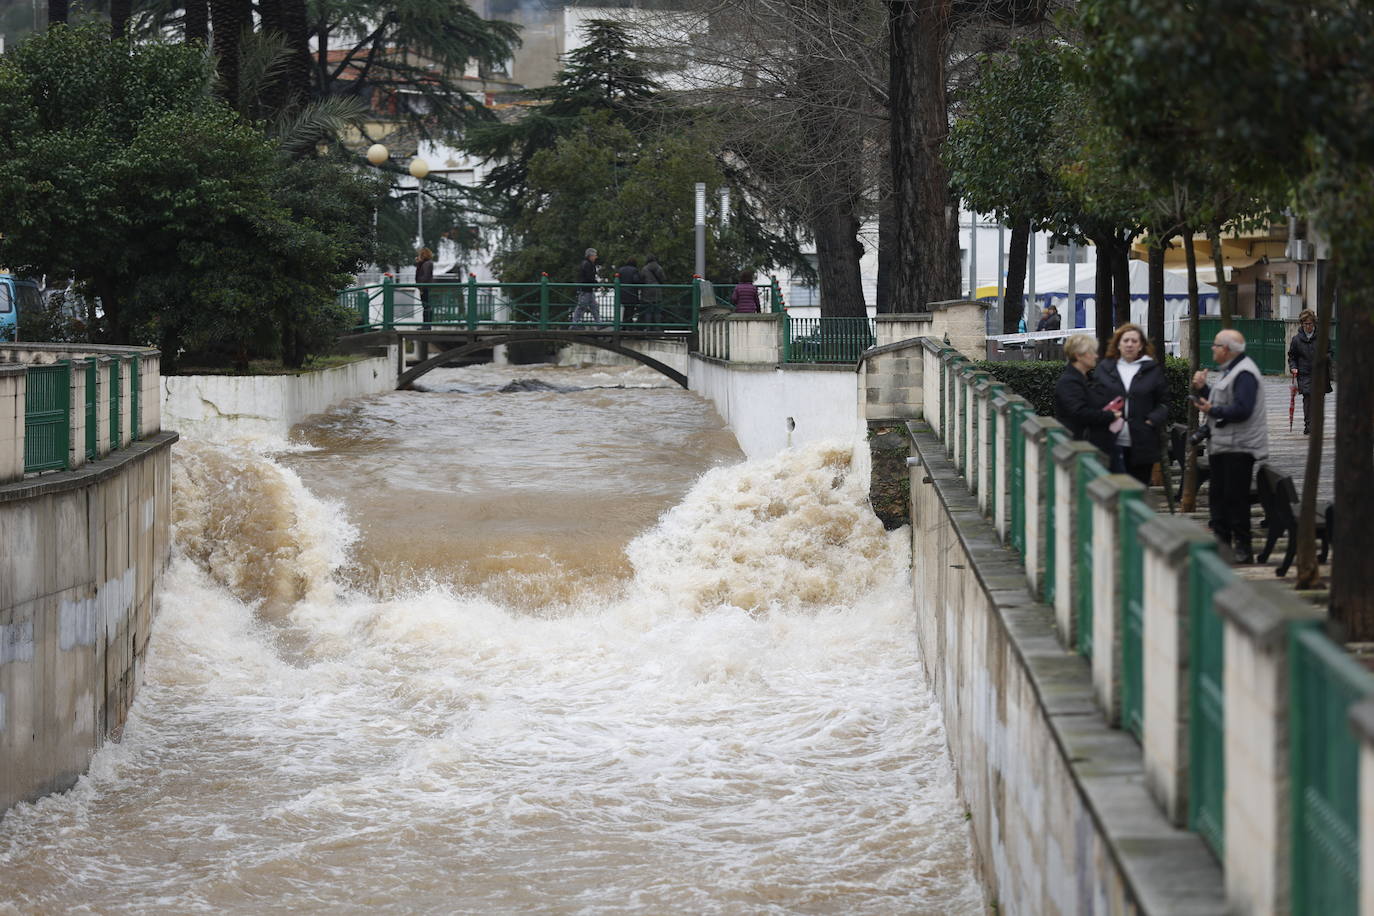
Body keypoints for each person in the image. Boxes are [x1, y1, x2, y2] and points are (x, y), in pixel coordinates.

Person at [1192, 329, 1269, 563]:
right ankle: (1222, 542)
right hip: (1224, 445)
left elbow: (1242, 410)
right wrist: (1204, 389)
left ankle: (1242, 547)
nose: (1212, 349)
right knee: (1219, 497)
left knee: (1235, 499)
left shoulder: (1245, 373)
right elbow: (1223, 401)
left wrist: (1211, 410)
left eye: (1215, 345)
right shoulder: (1230, 370)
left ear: (1226, 350)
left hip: (1239, 447)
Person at [1094, 322, 1168, 485]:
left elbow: (1163, 403)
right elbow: (1095, 399)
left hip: (1141, 441)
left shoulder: (1152, 370)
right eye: (1126, 340)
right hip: (1110, 440)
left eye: (1134, 341)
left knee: (1138, 488)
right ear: (1118, 344)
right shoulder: (1104, 369)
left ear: (1141, 345)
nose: (1129, 345)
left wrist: (1152, 420)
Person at [1055, 333, 1121, 453]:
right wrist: (1110, 415)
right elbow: (1079, 413)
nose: (1096, 356)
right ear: (1078, 356)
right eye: (1092, 352)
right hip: (1079, 447)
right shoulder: (1069, 382)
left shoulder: (1086, 379)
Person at [1287, 308, 1331, 435]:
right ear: (1302, 324)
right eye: (1305, 323)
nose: (1308, 326)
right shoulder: (1296, 340)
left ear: (1314, 323)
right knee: (1308, 398)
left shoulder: (1322, 337)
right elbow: (1292, 356)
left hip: (1320, 373)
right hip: (1304, 373)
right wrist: (1293, 367)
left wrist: (1325, 357)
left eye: (1310, 323)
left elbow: (1330, 352)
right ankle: (1309, 425)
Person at [572, 248, 599, 326]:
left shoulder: (587, 263)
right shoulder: (587, 264)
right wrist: (595, 282)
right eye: (595, 255)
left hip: (588, 289)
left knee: (593, 307)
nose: (596, 257)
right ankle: (574, 324)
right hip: (586, 289)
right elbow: (588, 277)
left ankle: (599, 323)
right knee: (582, 306)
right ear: (590, 256)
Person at [640, 254, 667, 325]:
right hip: (657, 290)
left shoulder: (644, 269)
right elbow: (663, 279)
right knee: (657, 310)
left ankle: (648, 327)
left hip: (647, 291)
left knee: (648, 311)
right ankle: (657, 327)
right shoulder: (659, 268)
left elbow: (641, 279)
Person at [617, 258, 642, 323]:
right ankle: (628, 324)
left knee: (626, 308)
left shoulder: (621, 269)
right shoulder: (634, 270)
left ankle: (625, 324)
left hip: (622, 292)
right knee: (630, 309)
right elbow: (636, 280)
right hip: (631, 293)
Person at [414, 247, 434, 328]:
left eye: (420, 254)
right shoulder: (426, 263)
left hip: (424, 288)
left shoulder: (426, 264)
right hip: (424, 287)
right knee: (426, 306)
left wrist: (421, 287)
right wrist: (419, 263)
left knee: (426, 306)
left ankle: (426, 326)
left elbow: (425, 277)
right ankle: (426, 325)